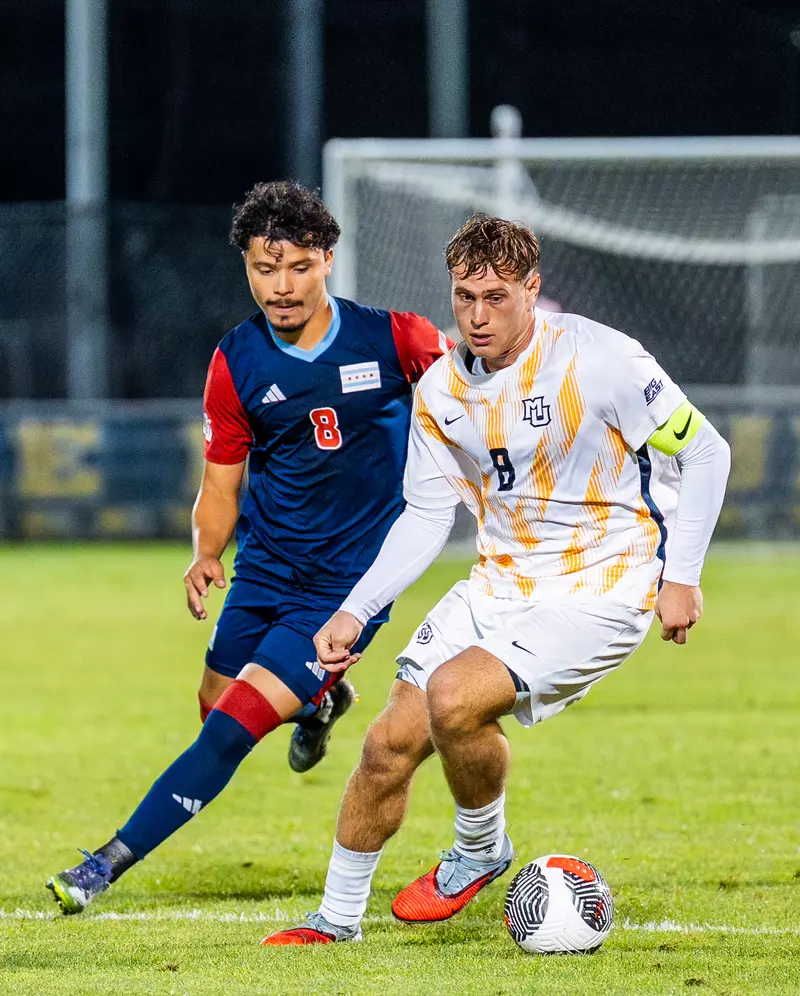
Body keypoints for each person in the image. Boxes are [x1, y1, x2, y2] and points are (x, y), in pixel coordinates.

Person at [261, 213, 731, 946]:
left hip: (604, 584)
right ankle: (335, 921)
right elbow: (424, 515)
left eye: (496, 297)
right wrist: (356, 609)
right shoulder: (443, 390)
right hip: (498, 582)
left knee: (454, 698)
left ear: (531, 289)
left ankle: (480, 849)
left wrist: (684, 576)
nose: (478, 316)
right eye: (464, 297)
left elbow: (706, 453)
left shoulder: (599, 359)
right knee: (388, 743)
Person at [47, 181, 450, 914]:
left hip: (346, 589)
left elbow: (473, 402)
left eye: (298, 266)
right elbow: (221, 483)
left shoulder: (398, 338)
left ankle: (104, 863)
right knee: (212, 707)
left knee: (229, 732)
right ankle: (319, 706)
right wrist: (206, 552)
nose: (282, 286)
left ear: (328, 260)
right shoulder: (236, 362)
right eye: (266, 269)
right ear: (246, 269)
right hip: (265, 568)